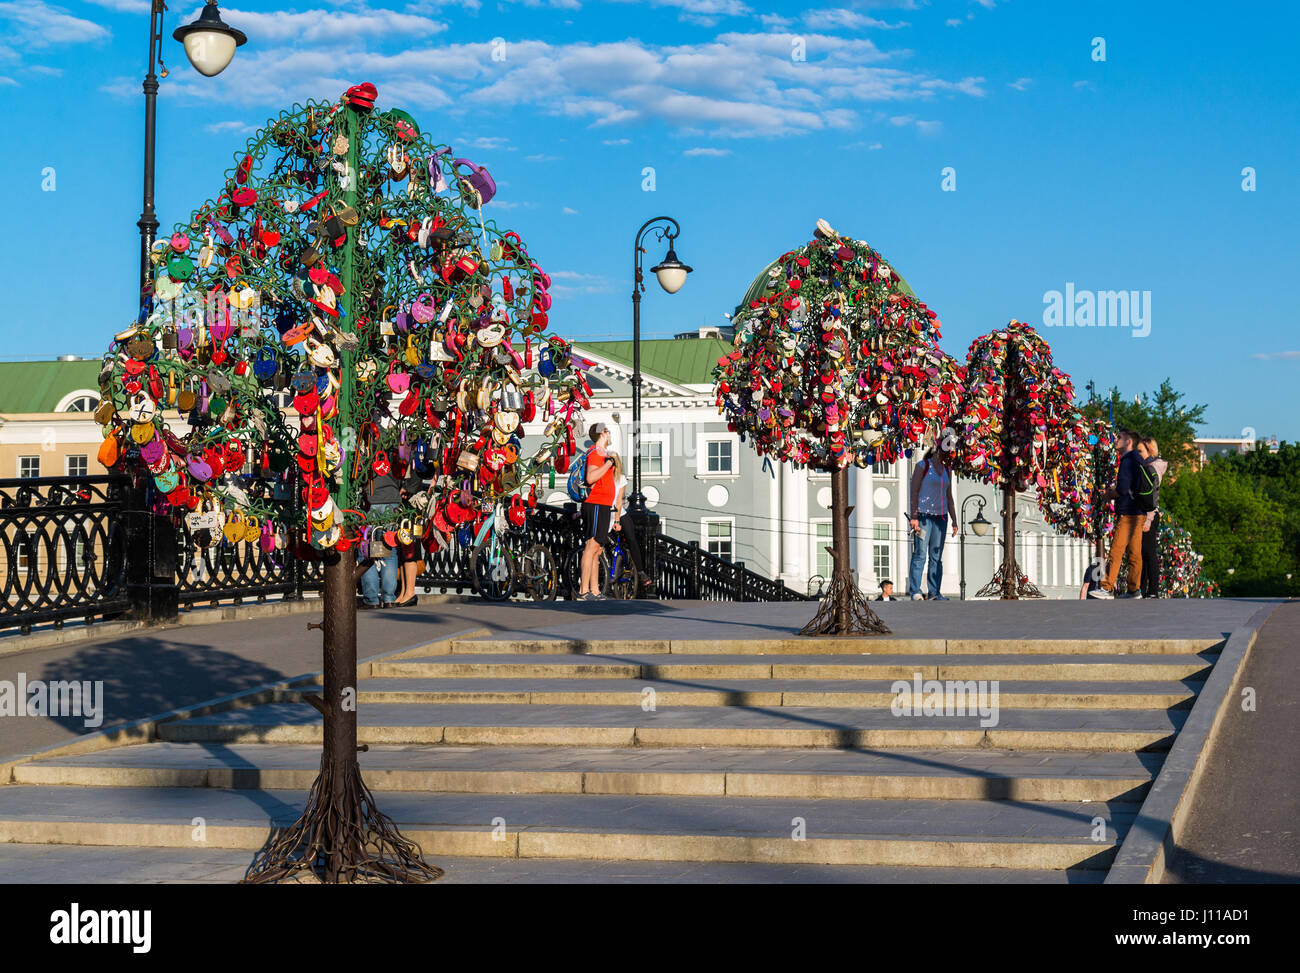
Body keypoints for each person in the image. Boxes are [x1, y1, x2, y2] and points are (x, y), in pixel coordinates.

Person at [1090, 429, 1144, 599]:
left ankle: (1106, 588)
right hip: (1139, 512)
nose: (1116, 439)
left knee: (1116, 550)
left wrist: (1108, 494)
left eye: (1119, 437)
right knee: (1135, 553)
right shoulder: (1139, 460)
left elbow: (1122, 489)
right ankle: (1134, 589)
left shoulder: (1128, 461)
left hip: (1128, 512)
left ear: (1129, 441)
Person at [360, 466, 423, 609]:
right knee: (389, 548)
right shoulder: (394, 446)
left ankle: (371, 599)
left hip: (371, 500)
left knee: (368, 550)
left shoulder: (367, 447)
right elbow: (406, 469)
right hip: (392, 499)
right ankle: (388, 598)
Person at [907, 444, 958, 600]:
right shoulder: (922, 466)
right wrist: (914, 517)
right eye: (947, 453)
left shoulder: (947, 470)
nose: (949, 457)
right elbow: (914, 492)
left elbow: (949, 497)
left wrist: (954, 520)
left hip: (941, 518)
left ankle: (934, 592)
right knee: (920, 554)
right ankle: (915, 590)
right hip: (923, 516)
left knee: (936, 556)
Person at [578, 423, 616, 601]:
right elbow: (591, 477)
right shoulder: (595, 453)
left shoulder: (603, 454)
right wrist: (609, 463)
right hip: (595, 503)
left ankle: (595, 591)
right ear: (603, 433)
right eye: (607, 431)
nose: (609, 434)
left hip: (603, 504)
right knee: (591, 545)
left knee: (598, 548)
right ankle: (583, 590)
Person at [609, 452, 654, 593]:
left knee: (631, 538)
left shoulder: (620, 479)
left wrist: (617, 520)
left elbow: (619, 501)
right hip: (606, 513)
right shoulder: (601, 477)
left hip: (619, 512)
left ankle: (640, 572)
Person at [1138, 436, 1167, 599]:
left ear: (1149, 449)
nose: (1138, 454)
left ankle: (1153, 590)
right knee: (1143, 553)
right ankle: (1143, 589)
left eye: (1141, 450)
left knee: (1148, 553)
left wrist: (1148, 520)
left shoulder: (1152, 468)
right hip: (1146, 514)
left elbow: (1152, 497)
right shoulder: (1148, 466)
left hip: (1149, 515)